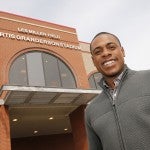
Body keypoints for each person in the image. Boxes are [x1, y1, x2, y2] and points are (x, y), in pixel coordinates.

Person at [84, 32, 150, 150]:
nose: (105, 53)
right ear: (93, 61)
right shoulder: (90, 111)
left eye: (111, 47)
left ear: (122, 51)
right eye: (98, 52)